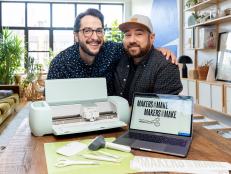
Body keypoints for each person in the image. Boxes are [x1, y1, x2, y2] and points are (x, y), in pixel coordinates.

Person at [47, 8, 177, 95]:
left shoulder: (112, 50)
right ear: (76, 35)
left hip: (108, 121)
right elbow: (50, 102)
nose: (94, 37)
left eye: (99, 30)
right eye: (87, 31)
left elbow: (136, 47)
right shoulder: (60, 63)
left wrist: (159, 50)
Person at [114, 14, 182, 104]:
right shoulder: (119, 56)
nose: (132, 40)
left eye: (139, 34)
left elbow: (164, 110)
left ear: (151, 37)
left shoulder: (165, 65)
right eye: (128, 35)